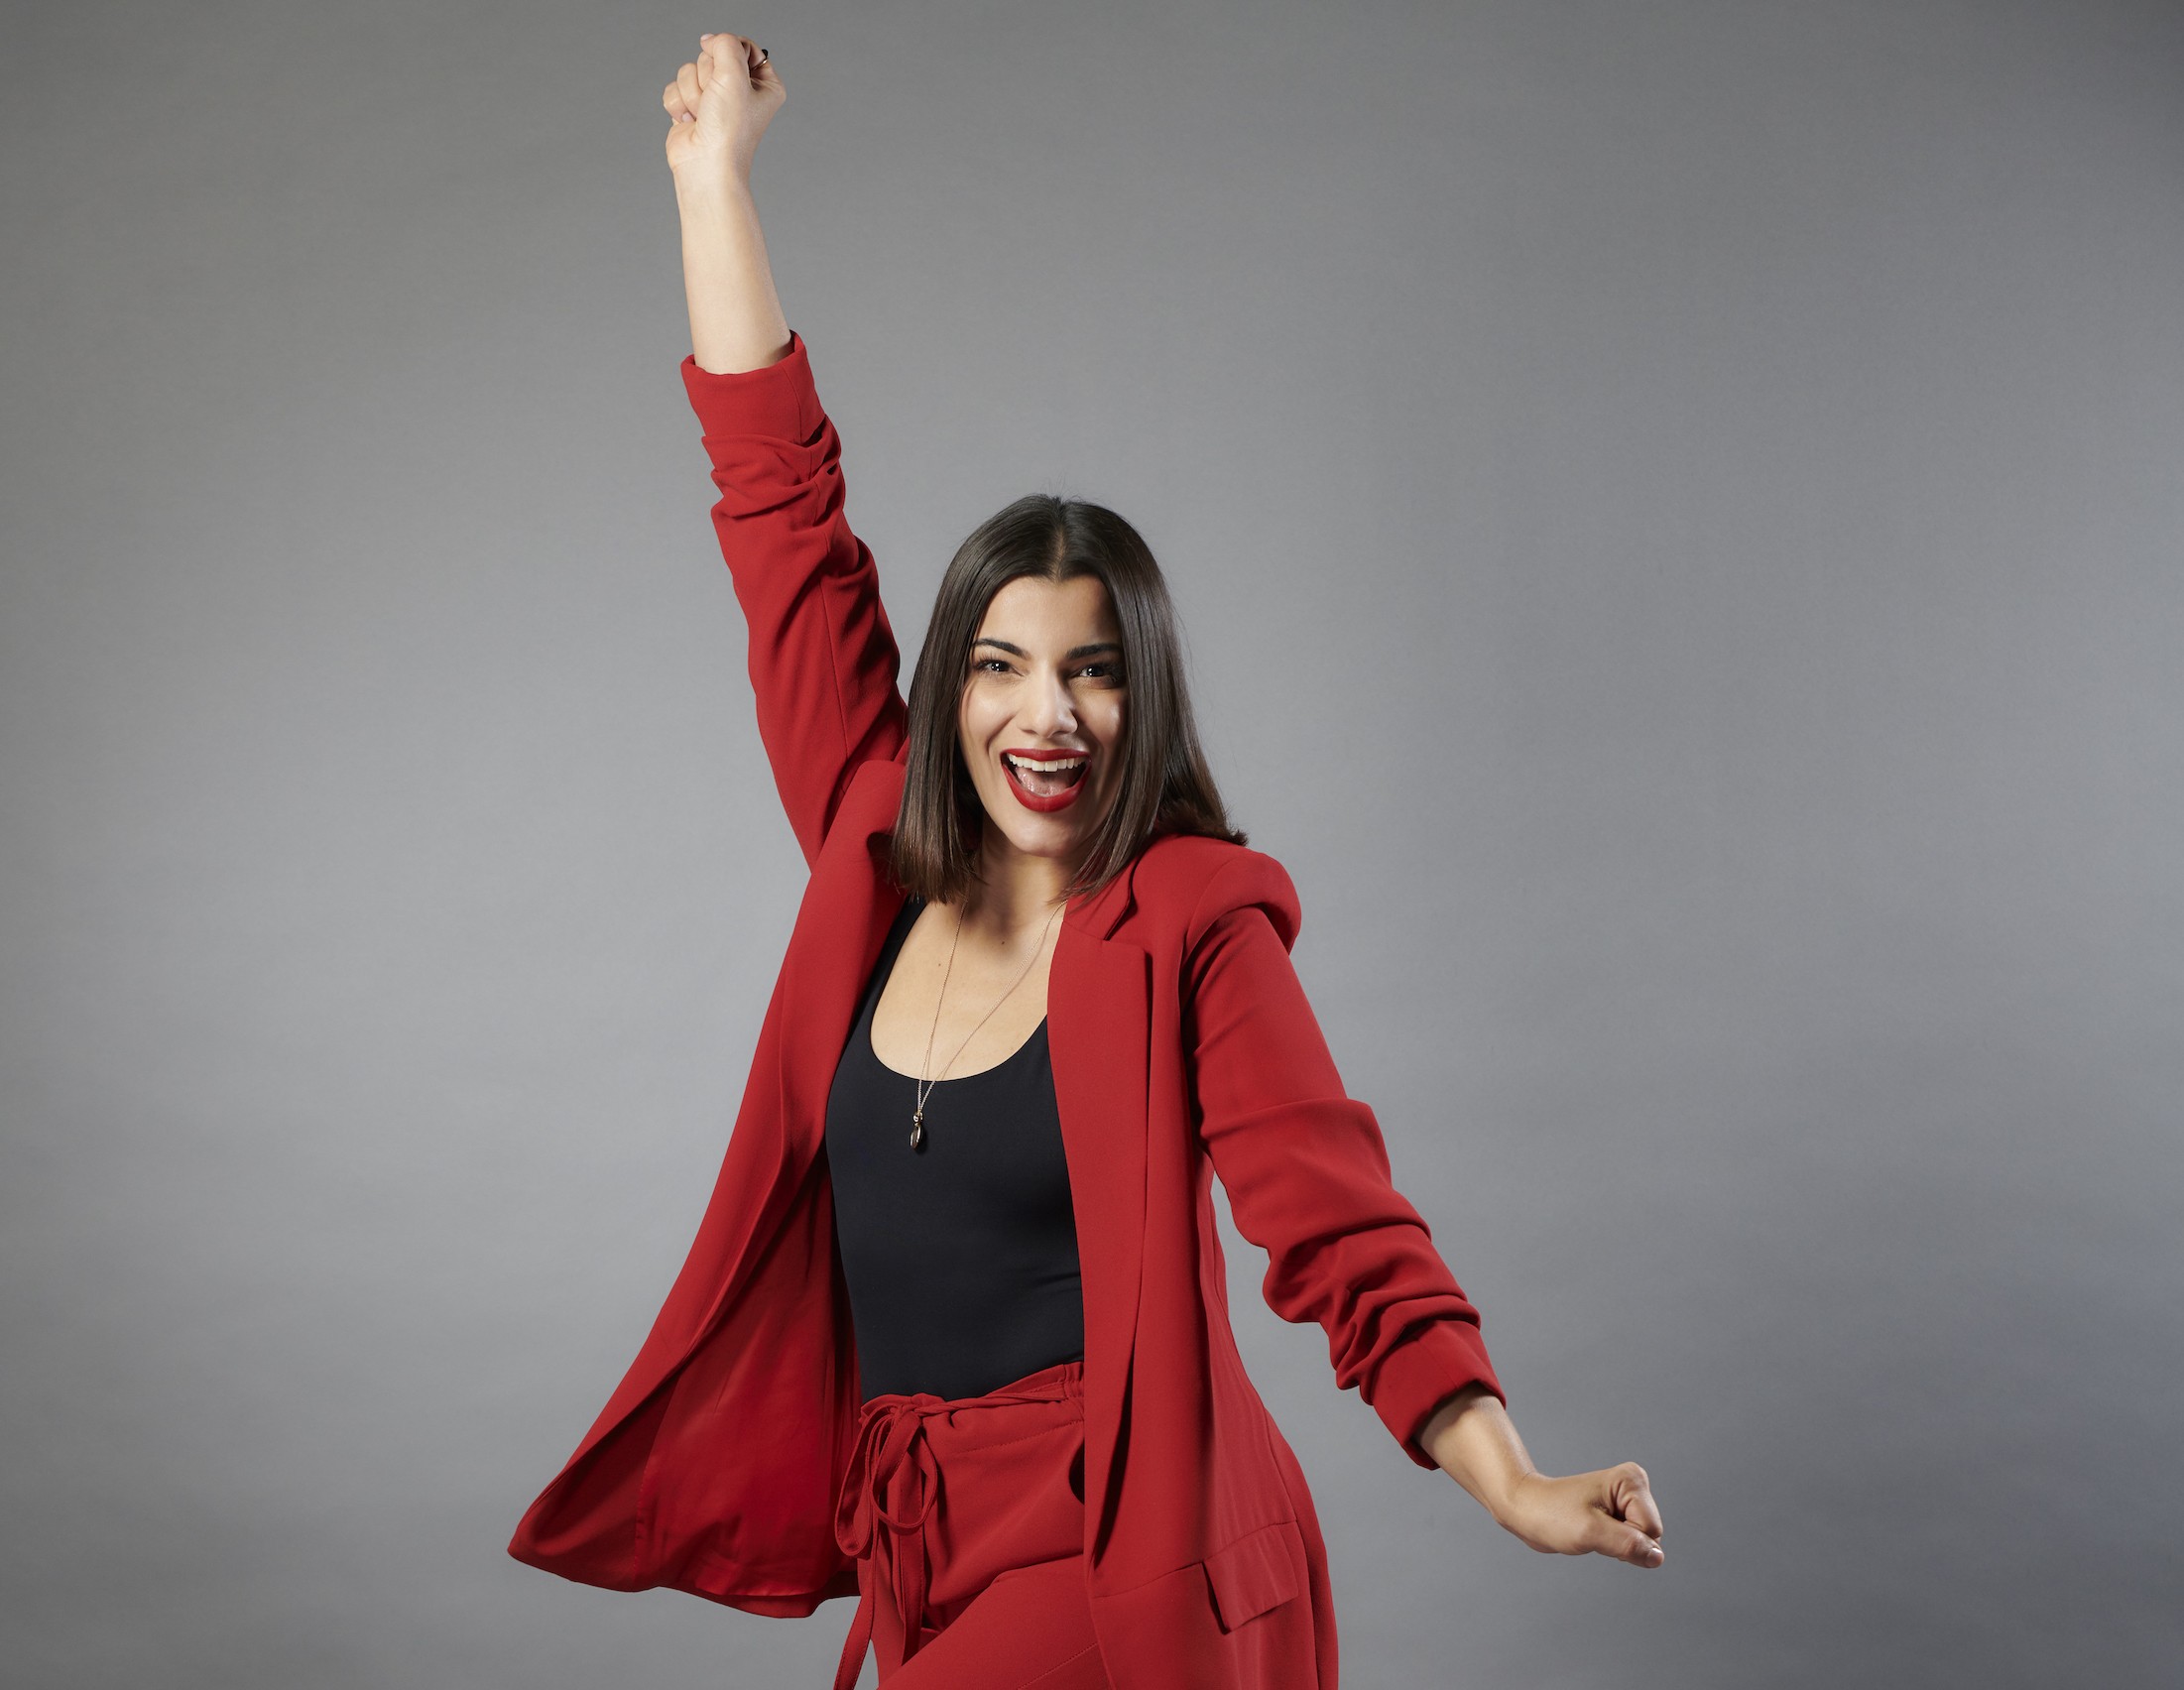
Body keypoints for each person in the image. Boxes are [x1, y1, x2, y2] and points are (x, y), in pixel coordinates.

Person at [508, 31, 1665, 1690]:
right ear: (948, 696)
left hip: (1117, 1538)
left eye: (1093, 672)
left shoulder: (1191, 924)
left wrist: (1511, 1482)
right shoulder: (868, 843)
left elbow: (1338, 1231)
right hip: (913, 1542)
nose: (1044, 715)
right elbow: (778, 513)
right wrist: (712, 184)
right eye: (1000, 666)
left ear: (1145, 700)